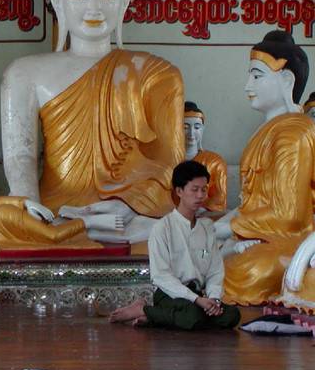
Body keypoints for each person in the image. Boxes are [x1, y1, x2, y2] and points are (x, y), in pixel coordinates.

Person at [1, 0, 183, 248]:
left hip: (132, 216)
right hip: (56, 214)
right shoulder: (24, 73)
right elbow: (20, 155)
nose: (94, 8)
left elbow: (170, 163)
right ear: (57, 0)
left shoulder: (158, 73)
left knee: (174, 235)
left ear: (126, 0)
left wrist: (129, 204)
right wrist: (29, 208)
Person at [216, 31, 315, 305]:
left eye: (257, 76)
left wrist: (231, 227)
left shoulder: (294, 133)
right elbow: (252, 201)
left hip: (288, 236)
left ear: (286, 79)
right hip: (258, 230)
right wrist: (225, 224)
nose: (248, 85)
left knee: (248, 270)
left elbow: (290, 215)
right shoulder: (267, 131)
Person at [109, 160, 240, 330]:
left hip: (198, 295)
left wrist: (213, 300)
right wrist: (196, 300)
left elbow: (215, 271)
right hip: (170, 294)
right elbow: (160, 276)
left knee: (232, 315)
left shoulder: (207, 228)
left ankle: (156, 317)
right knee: (192, 316)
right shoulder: (162, 228)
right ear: (179, 191)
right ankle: (144, 309)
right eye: (194, 189)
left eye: (204, 189)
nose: (200, 195)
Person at [182, 101, 227, 213]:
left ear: (203, 129)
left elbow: (220, 198)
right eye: (185, 127)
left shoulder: (215, 162)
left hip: (203, 214)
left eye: (197, 127)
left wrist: (200, 207)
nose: (191, 133)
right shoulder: (168, 161)